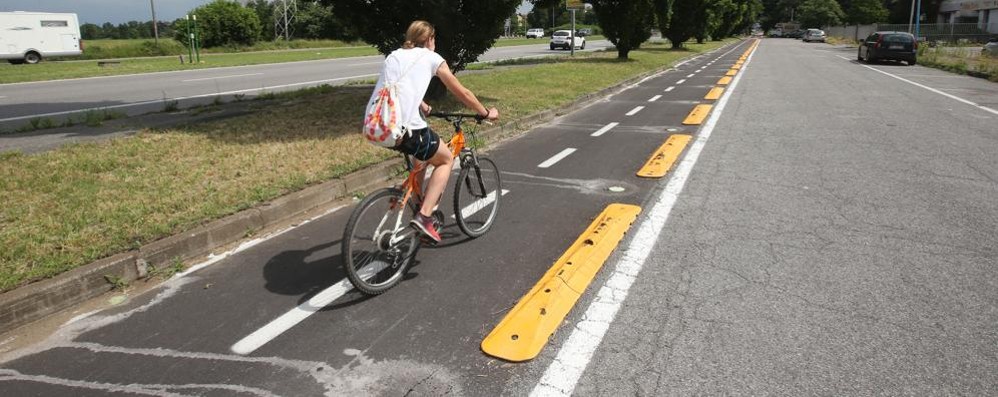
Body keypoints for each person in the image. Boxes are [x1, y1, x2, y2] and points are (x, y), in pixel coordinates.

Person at [366, 20, 499, 243]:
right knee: (445, 159)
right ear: (429, 39)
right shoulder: (431, 58)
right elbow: (463, 93)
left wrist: (421, 104)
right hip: (408, 129)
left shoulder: (394, 56)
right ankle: (425, 216)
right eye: (433, 38)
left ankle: (417, 202)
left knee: (422, 157)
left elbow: (395, 87)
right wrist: (485, 113)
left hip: (378, 127)